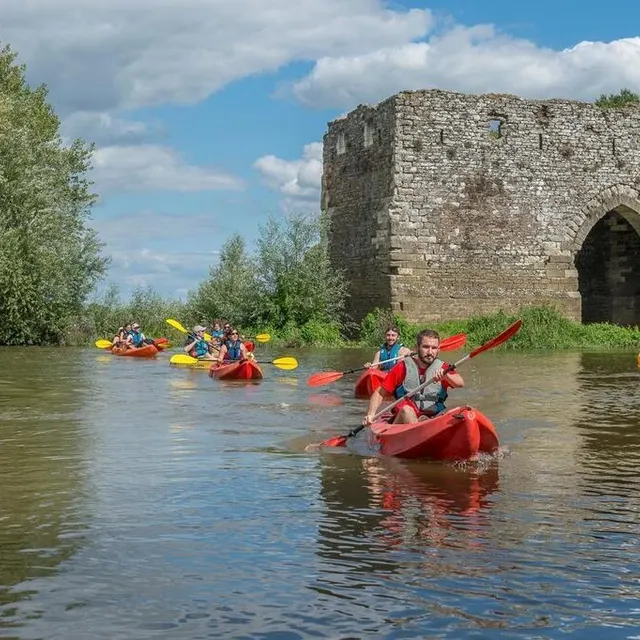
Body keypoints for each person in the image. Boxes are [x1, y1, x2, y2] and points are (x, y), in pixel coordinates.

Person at [363, 328, 464, 426]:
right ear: (417, 348)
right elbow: (380, 392)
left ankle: (429, 427)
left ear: (438, 350)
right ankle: (420, 432)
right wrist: (371, 414)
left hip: (433, 416)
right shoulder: (402, 367)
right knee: (407, 411)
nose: (430, 352)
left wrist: (446, 376)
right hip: (405, 419)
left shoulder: (443, 368)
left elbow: (460, 383)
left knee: (459, 409)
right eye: (425, 347)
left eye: (433, 348)